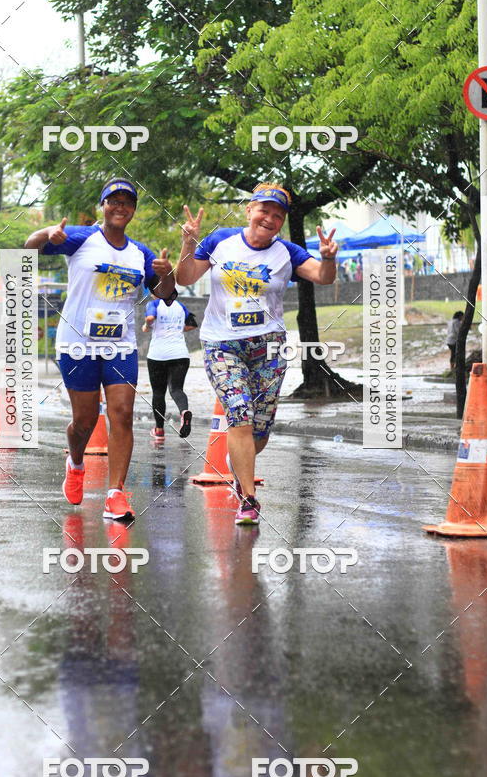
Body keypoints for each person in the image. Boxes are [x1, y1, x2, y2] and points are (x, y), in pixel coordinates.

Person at [175, 182, 337, 526]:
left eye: (278, 215)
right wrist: (188, 243)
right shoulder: (221, 242)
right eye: (264, 210)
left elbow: (322, 278)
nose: (270, 218)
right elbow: (185, 277)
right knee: (239, 413)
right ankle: (248, 498)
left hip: (269, 348)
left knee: (259, 432)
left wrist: (328, 258)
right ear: (249, 210)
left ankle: (240, 463)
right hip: (223, 343)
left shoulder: (287, 253)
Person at [24, 178, 176, 520]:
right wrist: (48, 234)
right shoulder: (81, 237)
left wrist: (168, 275)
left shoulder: (141, 254)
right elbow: (28, 246)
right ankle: (75, 463)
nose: (120, 207)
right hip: (77, 344)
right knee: (85, 421)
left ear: (133, 210)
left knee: (121, 414)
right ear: (102, 206)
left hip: (120, 345)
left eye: (127, 202)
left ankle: (115, 494)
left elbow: (166, 294)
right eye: (114, 201)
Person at [142, 293, 198, 439]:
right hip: (180, 354)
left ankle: (159, 430)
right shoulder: (180, 306)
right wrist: (177, 329)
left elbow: (150, 318)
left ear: (155, 292)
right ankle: (184, 412)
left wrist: (147, 326)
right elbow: (192, 325)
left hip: (157, 356)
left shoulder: (153, 304)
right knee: (176, 389)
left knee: (158, 393)